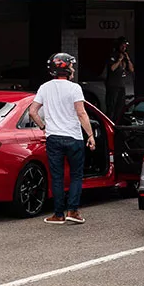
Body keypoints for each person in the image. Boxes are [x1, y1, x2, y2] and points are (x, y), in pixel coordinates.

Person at [28, 53, 95, 225]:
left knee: (56, 177)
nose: (73, 69)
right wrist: (90, 135)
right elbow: (81, 113)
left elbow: (32, 111)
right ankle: (73, 211)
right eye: (71, 66)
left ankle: (58, 214)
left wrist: (43, 127)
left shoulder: (44, 87)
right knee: (76, 175)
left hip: (53, 138)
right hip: (73, 137)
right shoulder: (75, 88)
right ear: (66, 68)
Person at [105, 36, 134, 123]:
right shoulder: (113, 55)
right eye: (123, 46)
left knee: (120, 106)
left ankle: (117, 122)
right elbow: (112, 68)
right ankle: (109, 122)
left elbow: (132, 69)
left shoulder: (125, 56)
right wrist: (119, 60)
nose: (124, 48)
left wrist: (128, 59)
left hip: (122, 85)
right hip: (113, 85)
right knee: (111, 106)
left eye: (125, 46)